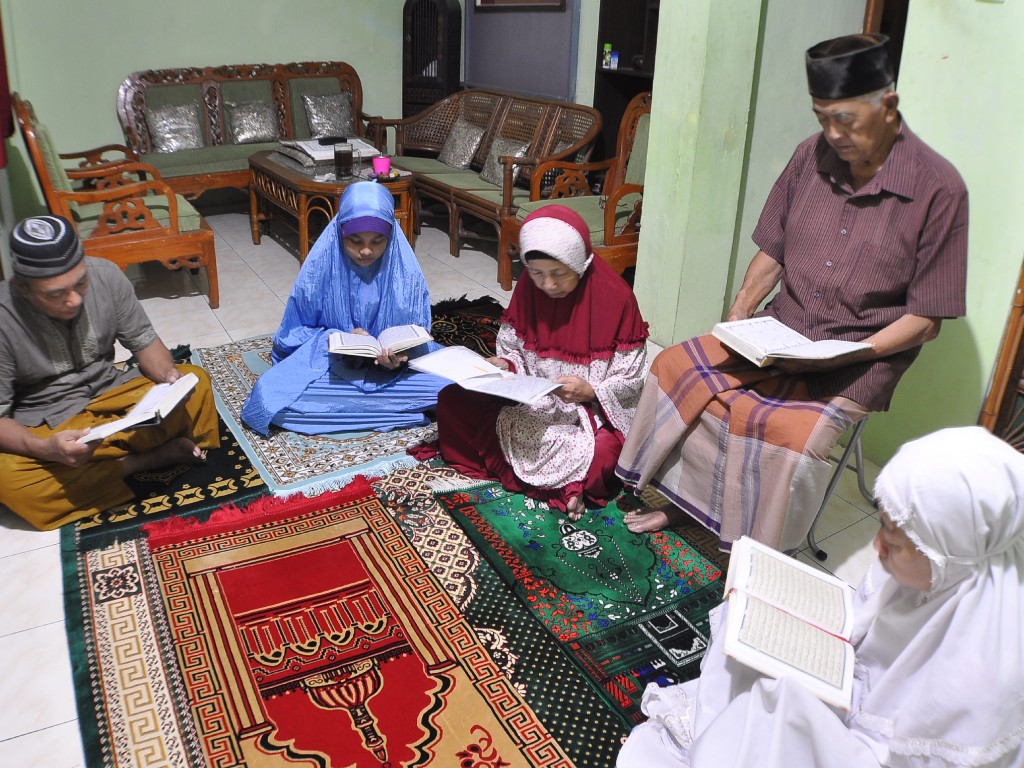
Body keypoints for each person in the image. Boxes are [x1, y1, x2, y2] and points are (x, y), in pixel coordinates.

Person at [616, 33, 968, 551]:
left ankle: (751, 547)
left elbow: (926, 320)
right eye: (821, 116)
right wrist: (738, 321)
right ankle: (687, 505)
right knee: (676, 368)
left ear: (888, 105)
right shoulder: (812, 154)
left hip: (858, 358)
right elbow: (771, 254)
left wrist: (843, 356)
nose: (832, 133)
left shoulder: (939, 189)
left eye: (845, 119)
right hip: (781, 330)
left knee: (782, 432)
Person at [616, 425, 1024, 767]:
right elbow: (859, 623)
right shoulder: (937, 568)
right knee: (745, 627)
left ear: (945, 556)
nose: (878, 549)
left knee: (775, 708)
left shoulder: (984, 667)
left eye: (896, 542)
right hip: (848, 690)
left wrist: (808, 705)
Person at [422, 206, 649, 519]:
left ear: (580, 265)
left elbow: (632, 379)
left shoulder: (616, 298)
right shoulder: (530, 287)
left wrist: (591, 391)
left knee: (606, 458)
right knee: (452, 400)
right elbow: (514, 348)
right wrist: (505, 364)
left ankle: (571, 487)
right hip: (532, 402)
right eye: (537, 273)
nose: (548, 285)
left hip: (588, 414)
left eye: (559, 274)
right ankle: (566, 488)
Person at [0, 215, 220, 530]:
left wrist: (170, 381)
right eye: (55, 294)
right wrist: (45, 449)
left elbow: (146, 344)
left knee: (195, 380)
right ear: (22, 287)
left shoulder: (105, 277)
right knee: (8, 479)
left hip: (111, 394)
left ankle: (98, 466)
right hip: (51, 424)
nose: (73, 299)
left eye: (80, 283)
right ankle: (145, 460)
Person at [241, 181, 449, 435]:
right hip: (332, 366)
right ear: (340, 233)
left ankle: (377, 408)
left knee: (452, 384)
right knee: (269, 400)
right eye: (355, 240)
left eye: (377, 241)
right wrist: (337, 339)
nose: (365, 251)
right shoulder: (319, 269)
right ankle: (402, 409)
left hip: (391, 374)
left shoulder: (405, 272)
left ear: (391, 237)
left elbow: (417, 337)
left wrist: (397, 359)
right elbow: (290, 337)